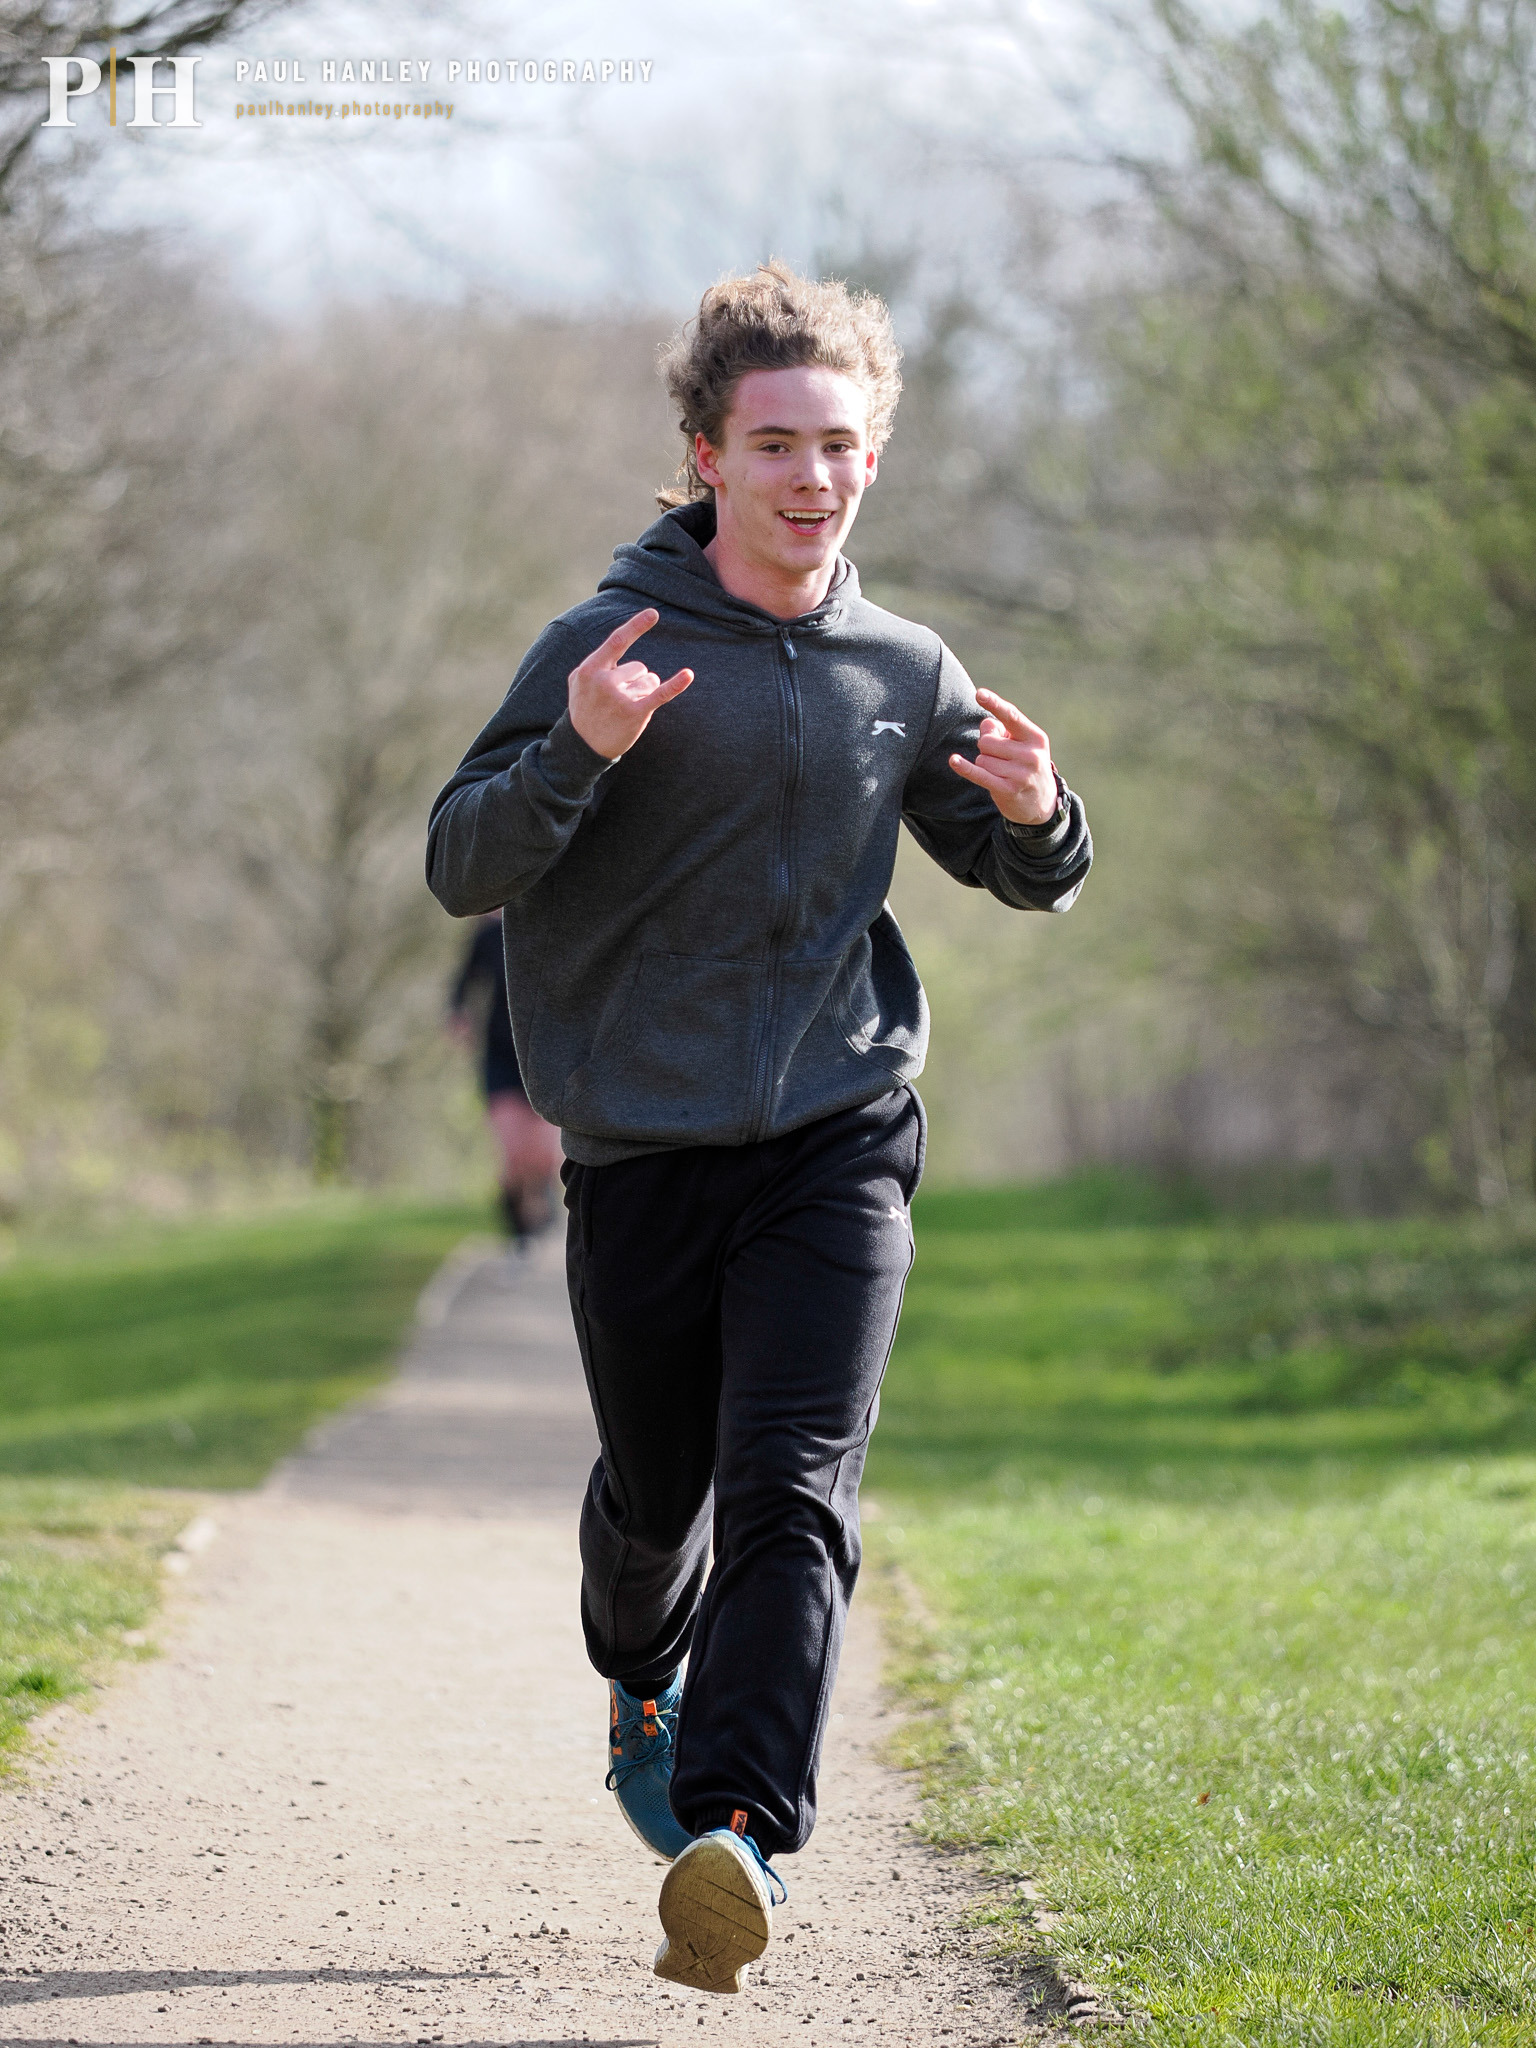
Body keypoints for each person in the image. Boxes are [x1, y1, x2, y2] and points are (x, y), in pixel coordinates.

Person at [426, 261, 1092, 1996]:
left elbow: (1015, 870)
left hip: (838, 1127)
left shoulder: (900, 665)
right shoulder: (607, 645)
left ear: (874, 458)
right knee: (663, 1498)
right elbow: (462, 864)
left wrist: (1040, 812)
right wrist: (575, 750)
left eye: (840, 444)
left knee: (794, 1487)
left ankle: (739, 1837)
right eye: (776, 442)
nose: (811, 475)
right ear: (707, 453)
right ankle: (638, 1656)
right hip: (642, 1149)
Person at [446, 910, 562, 1245]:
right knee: (513, 1153)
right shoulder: (489, 935)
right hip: (500, 1058)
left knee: (546, 1156)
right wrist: (458, 1015)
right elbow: (463, 983)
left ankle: (544, 1217)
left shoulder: (552, 923)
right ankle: (518, 1234)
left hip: (544, 1055)